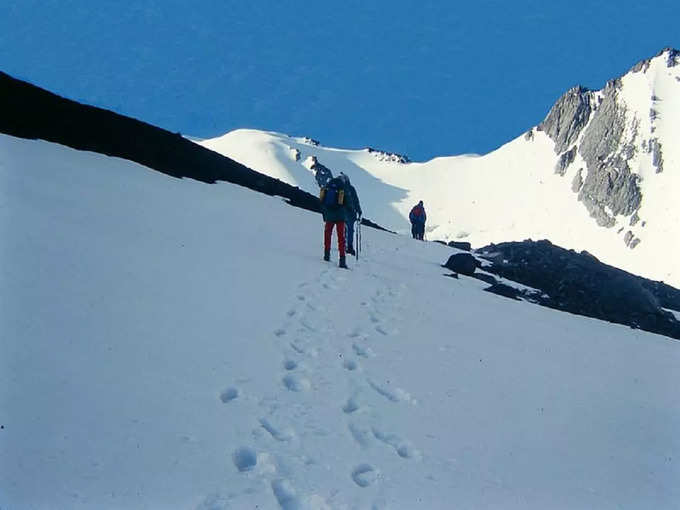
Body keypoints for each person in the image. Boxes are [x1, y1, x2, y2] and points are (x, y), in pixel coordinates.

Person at [320, 174, 352, 268]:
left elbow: (322, 199)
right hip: (340, 216)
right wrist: (350, 210)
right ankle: (342, 260)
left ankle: (326, 255)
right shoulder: (343, 187)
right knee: (341, 238)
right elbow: (348, 202)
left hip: (329, 215)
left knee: (327, 234)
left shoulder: (328, 185)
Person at [340, 173, 362, 256]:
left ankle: (343, 245)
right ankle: (349, 246)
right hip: (351, 213)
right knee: (350, 230)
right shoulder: (351, 189)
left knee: (343, 229)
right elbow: (356, 201)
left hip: (341, 212)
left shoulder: (340, 188)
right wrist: (359, 211)